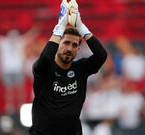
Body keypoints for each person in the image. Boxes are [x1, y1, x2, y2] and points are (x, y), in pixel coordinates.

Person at [29, 0, 107, 135]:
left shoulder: (81, 68)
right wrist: (60, 26)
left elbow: (101, 55)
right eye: (66, 43)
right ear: (58, 43)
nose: (70, 48)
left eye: (75, 45)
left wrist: (81, 27)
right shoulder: (44, 68)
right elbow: (47, 57)